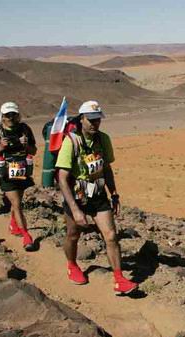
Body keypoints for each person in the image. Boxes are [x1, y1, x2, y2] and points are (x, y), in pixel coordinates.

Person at [55, 100, 137, 295]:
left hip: (98, 194)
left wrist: (114, 193)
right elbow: (62, 178)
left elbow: (106, 168)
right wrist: (75, 209)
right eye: (90, 120)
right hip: (77, 196)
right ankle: (72, 264)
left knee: (111, 235)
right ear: (81, 119)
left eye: (97, 120)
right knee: (73, 235)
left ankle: (119, 279)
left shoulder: (103, 139)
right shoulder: (71, 141)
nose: (94, 123)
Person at [0, 102, 37, 251]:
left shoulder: (25, 130)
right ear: (2, 117)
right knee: (17, 204)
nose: (11, 118)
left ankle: (14, 224)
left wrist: (26, 146)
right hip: (5, 172)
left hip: (21, 169)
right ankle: (27, 237)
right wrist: (0, 148)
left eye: (13, 114)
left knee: (17, 201)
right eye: (7, 115)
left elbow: (34, 150)